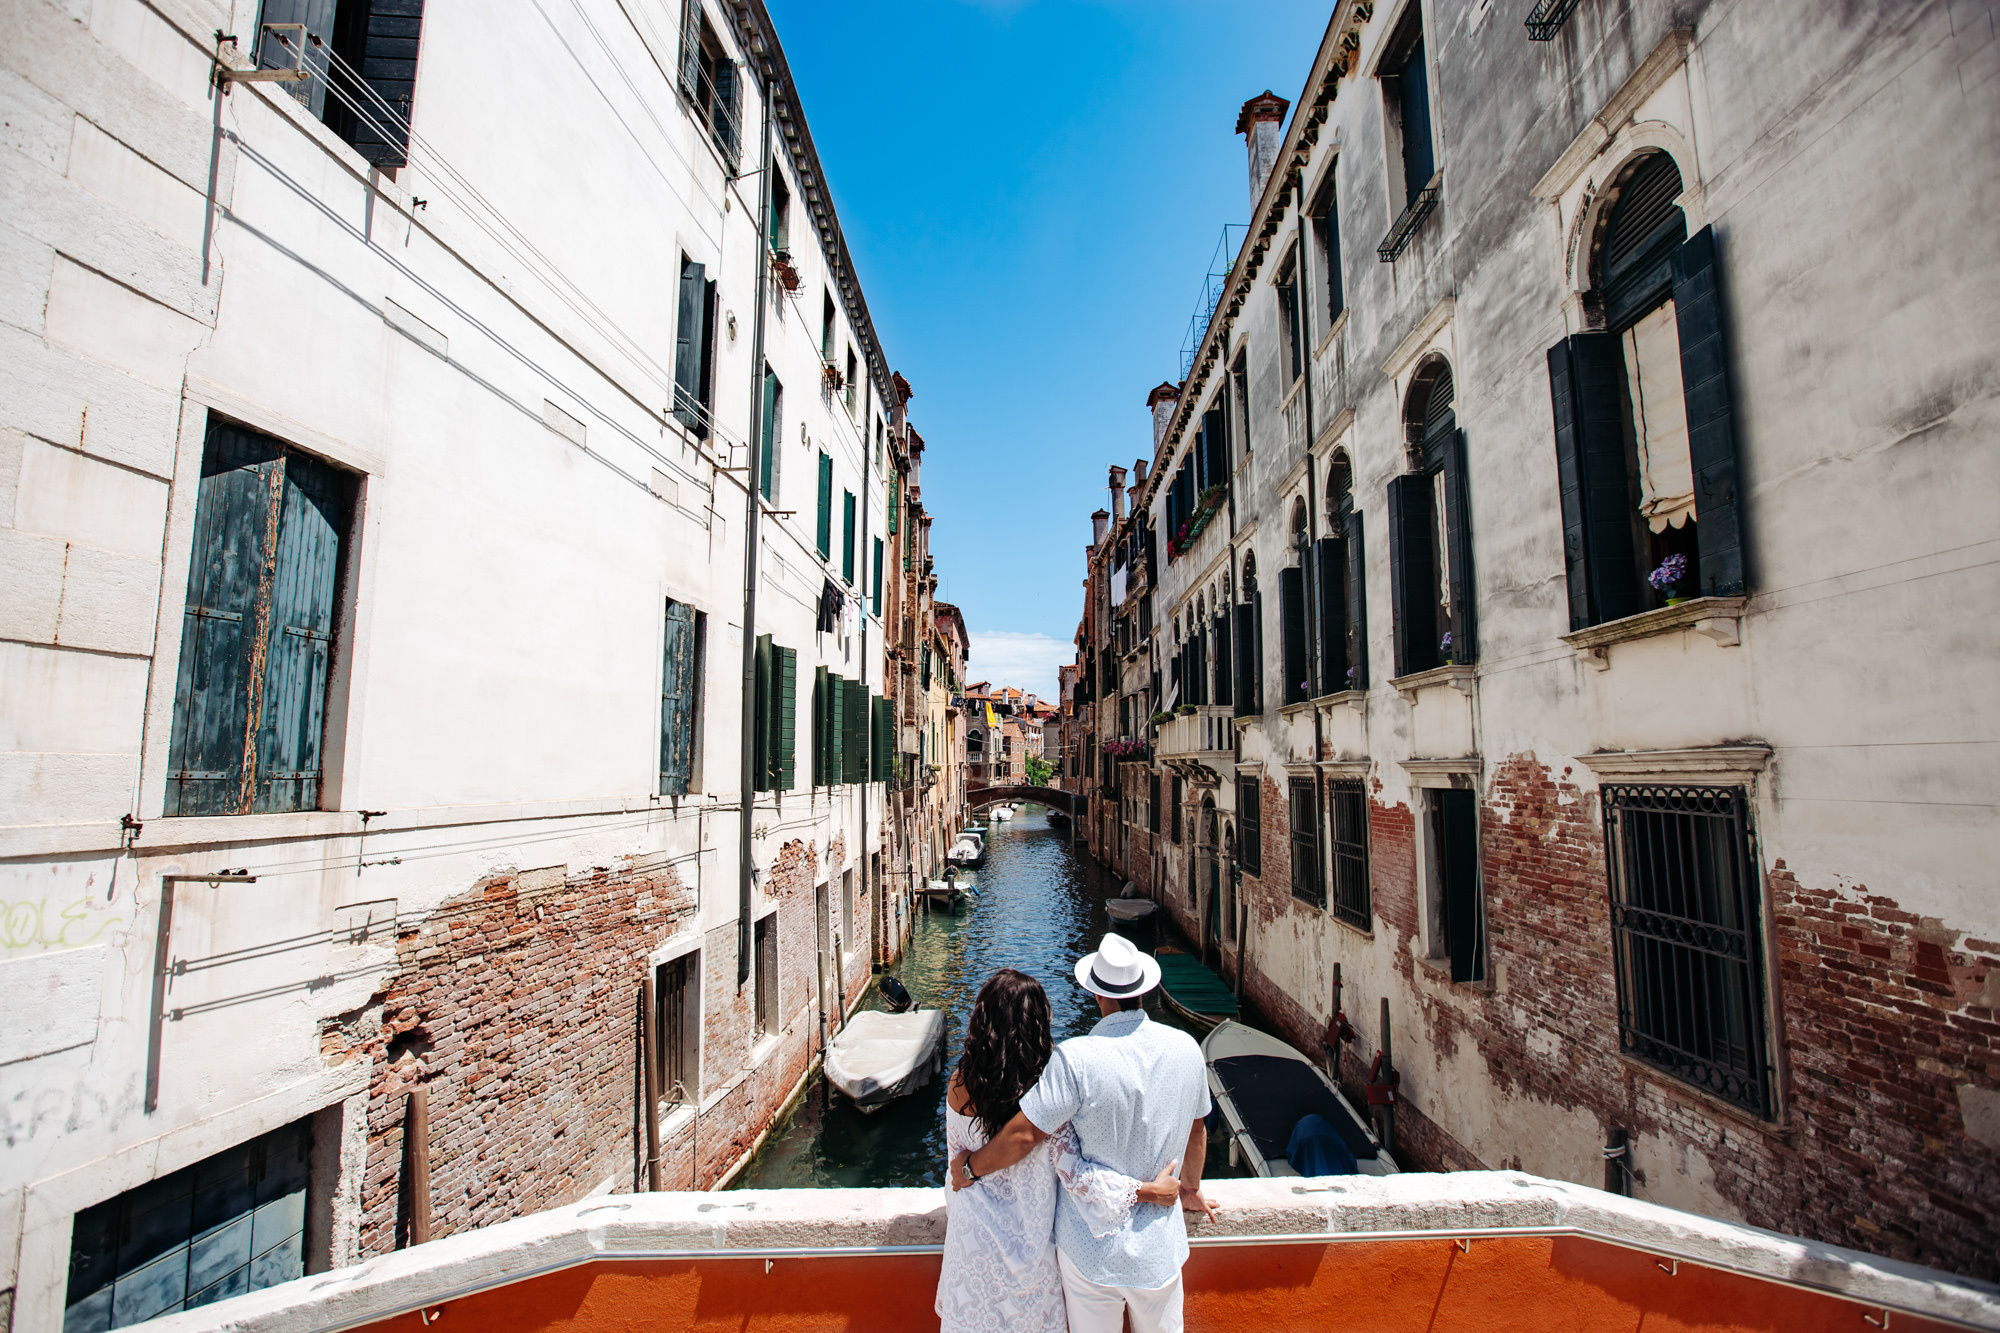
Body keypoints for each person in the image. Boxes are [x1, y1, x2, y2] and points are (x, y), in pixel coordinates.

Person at [951, 935, 1215, 1333]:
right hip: (1158, 1249)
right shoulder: (1188, 1048)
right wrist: (1190, 1187)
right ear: (1144, 989)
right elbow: (1198, 1128)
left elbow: (1024, 1136)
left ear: (1096, 994)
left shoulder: (1076, 1059)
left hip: (1090, 1253)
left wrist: (969, 1168)